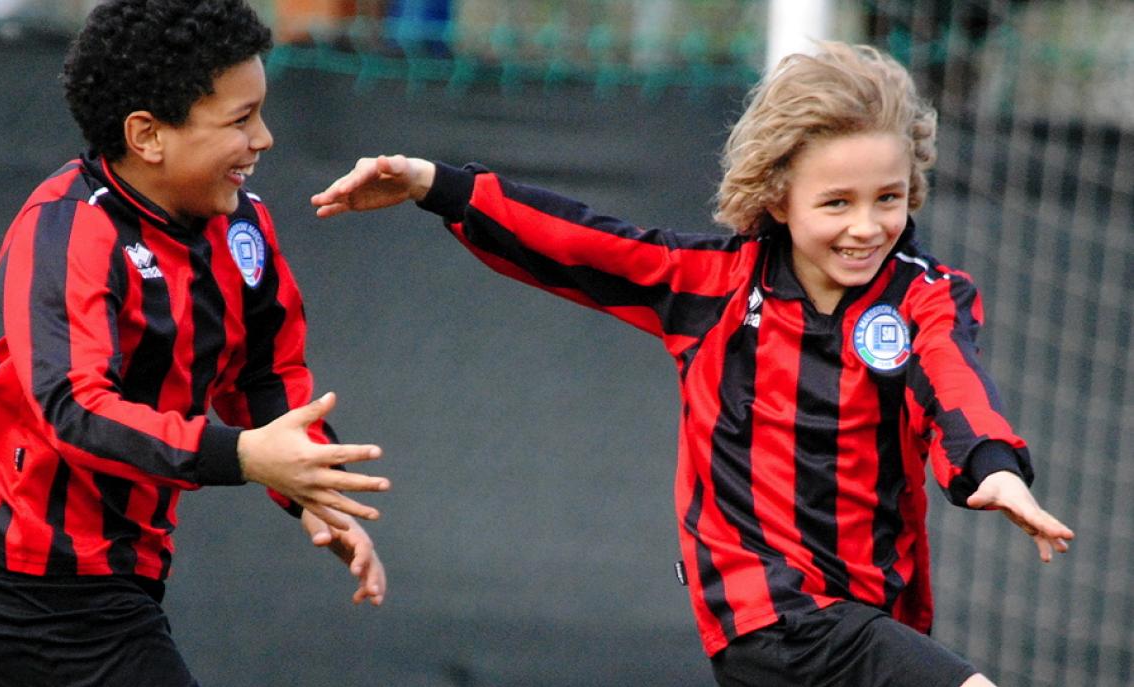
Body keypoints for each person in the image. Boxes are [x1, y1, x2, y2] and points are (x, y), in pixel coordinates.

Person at [311, 42, 1075, 686]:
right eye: (836, 202)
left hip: (882, 609)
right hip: (764, 611)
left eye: (890, 198)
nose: (867, 225)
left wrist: (993, 465)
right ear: (777, 196)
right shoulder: (712, 286)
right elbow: (579, 240)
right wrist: (432, 184)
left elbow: (953, 382)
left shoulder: (925, 298)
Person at [0, 1, 391, 685]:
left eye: (261, 112)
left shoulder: (243, 231)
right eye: (241, 120)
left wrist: (317, 487)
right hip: (35, 583)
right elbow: (74, 408)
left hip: (121, 574)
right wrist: (242, 455)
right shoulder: (66, 229)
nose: (264, 138)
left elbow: (266, 374)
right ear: (148, 134)